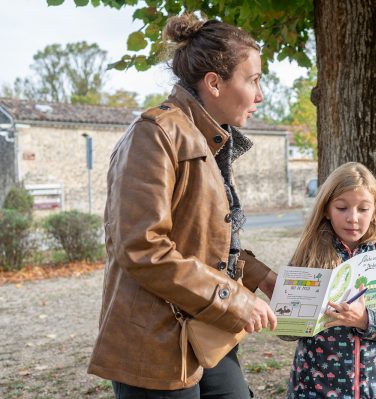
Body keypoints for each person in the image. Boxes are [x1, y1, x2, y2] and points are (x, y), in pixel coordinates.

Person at [87, 13, 277, 399]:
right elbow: (142, 249)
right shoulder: (155, 134)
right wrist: (233, 297)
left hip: (206, 331)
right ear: (214, 83)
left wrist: (263, 278)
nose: (260, 95)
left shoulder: (213, 140)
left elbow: (206, 242)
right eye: (253, 80)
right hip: (154, 344)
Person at [286, 162, 376, 399]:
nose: (352, 218)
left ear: (375, 210)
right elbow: (285, 330)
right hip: (315, 390)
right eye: (342, 208)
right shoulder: (310, 255)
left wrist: (365, 319)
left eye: (363, 209)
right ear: (326, 209)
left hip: (375, 390)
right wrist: (305, 314)